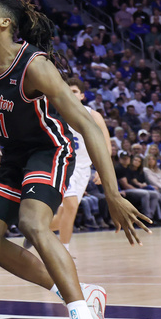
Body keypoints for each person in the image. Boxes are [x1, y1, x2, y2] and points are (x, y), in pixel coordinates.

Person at [0, 0, 150, 319]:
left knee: (33, 224)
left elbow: (86, 125)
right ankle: (82, 292)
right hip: (14, 155)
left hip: (50, 149)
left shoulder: (35, 66)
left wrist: (112, 192)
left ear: (5, 24)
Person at [51, 78, 107, 253]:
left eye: (75, 91)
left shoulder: (93, 115)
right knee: (72, 205)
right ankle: (65, 252)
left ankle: (36, 230)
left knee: (62, 217)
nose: (71, 93)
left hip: (83, 169)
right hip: (63, 165)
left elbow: (105, 142)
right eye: (68, 90)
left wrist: (102, 168)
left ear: (82, 95)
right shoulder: (55, 113)